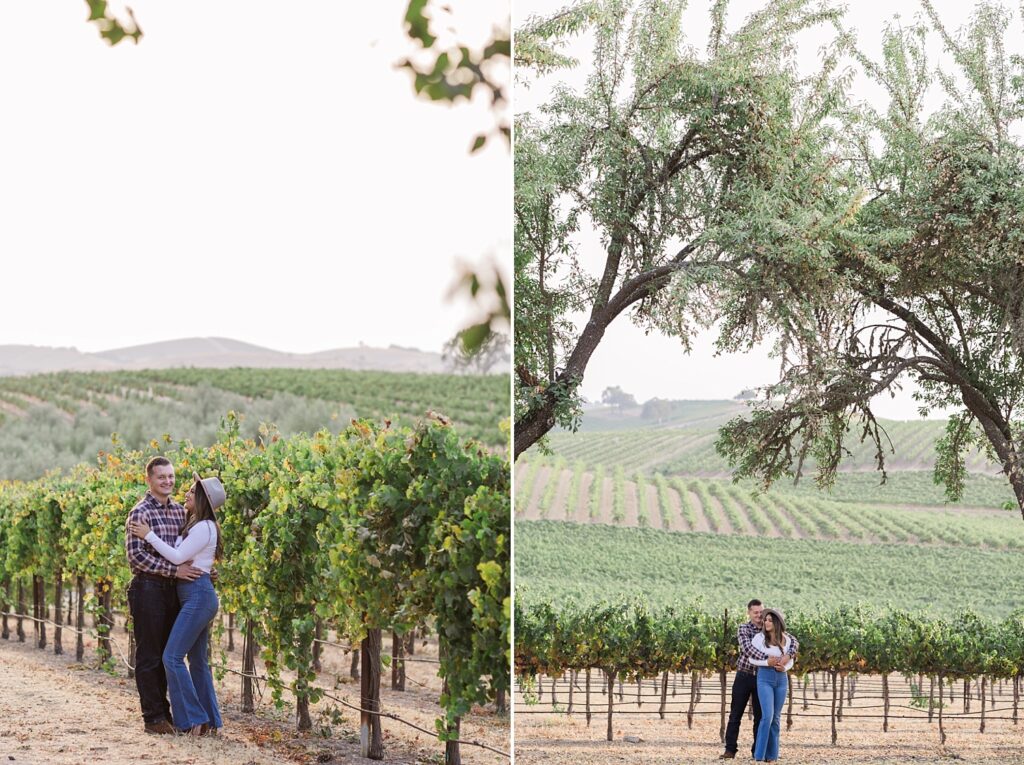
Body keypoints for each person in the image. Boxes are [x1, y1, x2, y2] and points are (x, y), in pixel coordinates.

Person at [130, 472, 226, 736]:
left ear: (202, 500)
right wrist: (206, 569)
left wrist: (149, 535)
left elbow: (178, 556)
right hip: (192, 595)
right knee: (197, 661)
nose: (186, 493)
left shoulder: (203, 526)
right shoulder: (194, 522)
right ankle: (210, 722)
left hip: (197, 596)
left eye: (192, 492)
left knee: (171, 657)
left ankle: (195, 719)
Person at [125, 457, 203, 735]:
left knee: (169, 655)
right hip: (148, 589)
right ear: (149, 480)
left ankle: (166, 713)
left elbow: (187, 550)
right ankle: (154, 718)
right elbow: (136, 557)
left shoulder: (180, 512)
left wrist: (203, 572)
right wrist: (174, 571)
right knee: (149, 655)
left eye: (171, 476)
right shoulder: (140, 513)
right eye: (161, 477)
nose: (168, 481)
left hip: (173, 591)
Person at [719, 599, 798, 760]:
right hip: (745, 675)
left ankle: (757, 751)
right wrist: (769, 659)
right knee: (736, 714)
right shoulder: (744, 629)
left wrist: (788, 655)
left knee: (762, 716)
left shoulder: (768, 629)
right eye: (755, 612)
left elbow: (793, 642)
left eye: (761, 613)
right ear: (749, 613)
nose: (759, 615)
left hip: (762, 678)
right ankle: (730, 750)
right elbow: (748, 650)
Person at [750, 609, 795, 763]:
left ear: (777, 622)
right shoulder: (759, 638)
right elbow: (751, 659)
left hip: (782, 679)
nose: (766, 622)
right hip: (765, 678)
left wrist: (785, 668)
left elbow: (791, 660)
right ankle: (759, 756)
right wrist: (766, 662)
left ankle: (772, 756)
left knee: (776, 718)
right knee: (767, 716)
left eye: (769, 620)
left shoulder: (787, 640)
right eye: (765, 620)